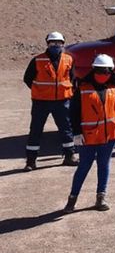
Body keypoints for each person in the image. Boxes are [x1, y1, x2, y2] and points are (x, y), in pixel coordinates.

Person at [63, 54, 115, 213]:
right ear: (93, 70)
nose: (102, 75)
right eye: (99, 71)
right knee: (84, 166)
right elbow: (73, 113)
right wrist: (77, 133)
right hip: (88, 137)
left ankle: (101, 198)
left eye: (106, 72)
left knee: (104, 165)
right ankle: (72, 199)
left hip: (109, 137)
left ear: (111, 72)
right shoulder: (82, 89)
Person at [22, 31, 78, 171]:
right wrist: (40, 91)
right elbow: (28, 79)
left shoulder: (68, 59)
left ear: (63, 44)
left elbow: (72, 79)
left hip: (62, 101)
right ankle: (31, 161)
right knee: (35, 130)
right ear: (47, 44)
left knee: (66, 129)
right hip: (41, 102)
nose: (56, 45)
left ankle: (69, 156)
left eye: (59, 43)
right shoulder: (38, 60)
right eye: (53, 43)